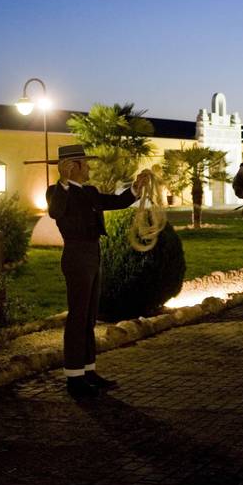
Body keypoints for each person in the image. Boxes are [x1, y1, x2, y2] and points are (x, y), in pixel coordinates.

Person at [46, 144, 151, 400]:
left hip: (93, 254)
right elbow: (55, 211)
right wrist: (62, 181)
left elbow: (115, 201)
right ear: (73, 167)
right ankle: (74, 377)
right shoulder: (57, 192)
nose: (90, 167)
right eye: (85, 163)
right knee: (78, 315)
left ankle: (88, 370)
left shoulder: (90, 192)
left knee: (89, 315)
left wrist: (136, 187)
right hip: (76, 255)